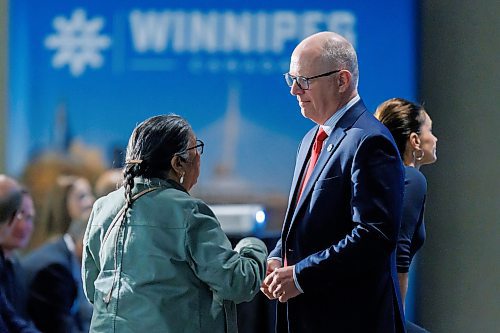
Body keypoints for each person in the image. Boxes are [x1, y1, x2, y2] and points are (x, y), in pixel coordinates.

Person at [260, 31, 406, 332]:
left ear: (341, 80)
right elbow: (305, 224)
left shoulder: (370, 140)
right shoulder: (310, 139)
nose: (294, 91)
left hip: (351, 320)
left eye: (304, 80)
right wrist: (279, 257)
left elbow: (374, 236)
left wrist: (300, 276)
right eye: (292, 79)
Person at [82, 114, 268, 333]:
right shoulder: (189, 211)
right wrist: (252, 246)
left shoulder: (103, 207)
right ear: (177, 163)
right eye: (196, 148)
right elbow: (237, 283)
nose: (199, 157)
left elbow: (92, 287)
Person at [375, 98, 438, 333]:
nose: (435, 138)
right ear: (414, 140)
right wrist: (395, 324)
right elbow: (398, 253)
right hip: (378, 313)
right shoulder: (411, 180)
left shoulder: (387, 179)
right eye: (429, 130)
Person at [22, 175, 95, 333]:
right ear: (62, 205)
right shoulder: (53, 264)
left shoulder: (67, 254)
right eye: (82, 196)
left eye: (91, 193)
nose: (91, 201)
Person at [0, 175, 39, 332]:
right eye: (19, 215)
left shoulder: (18, 268)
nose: (23, 225)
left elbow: (15, 318)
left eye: (29, 217)